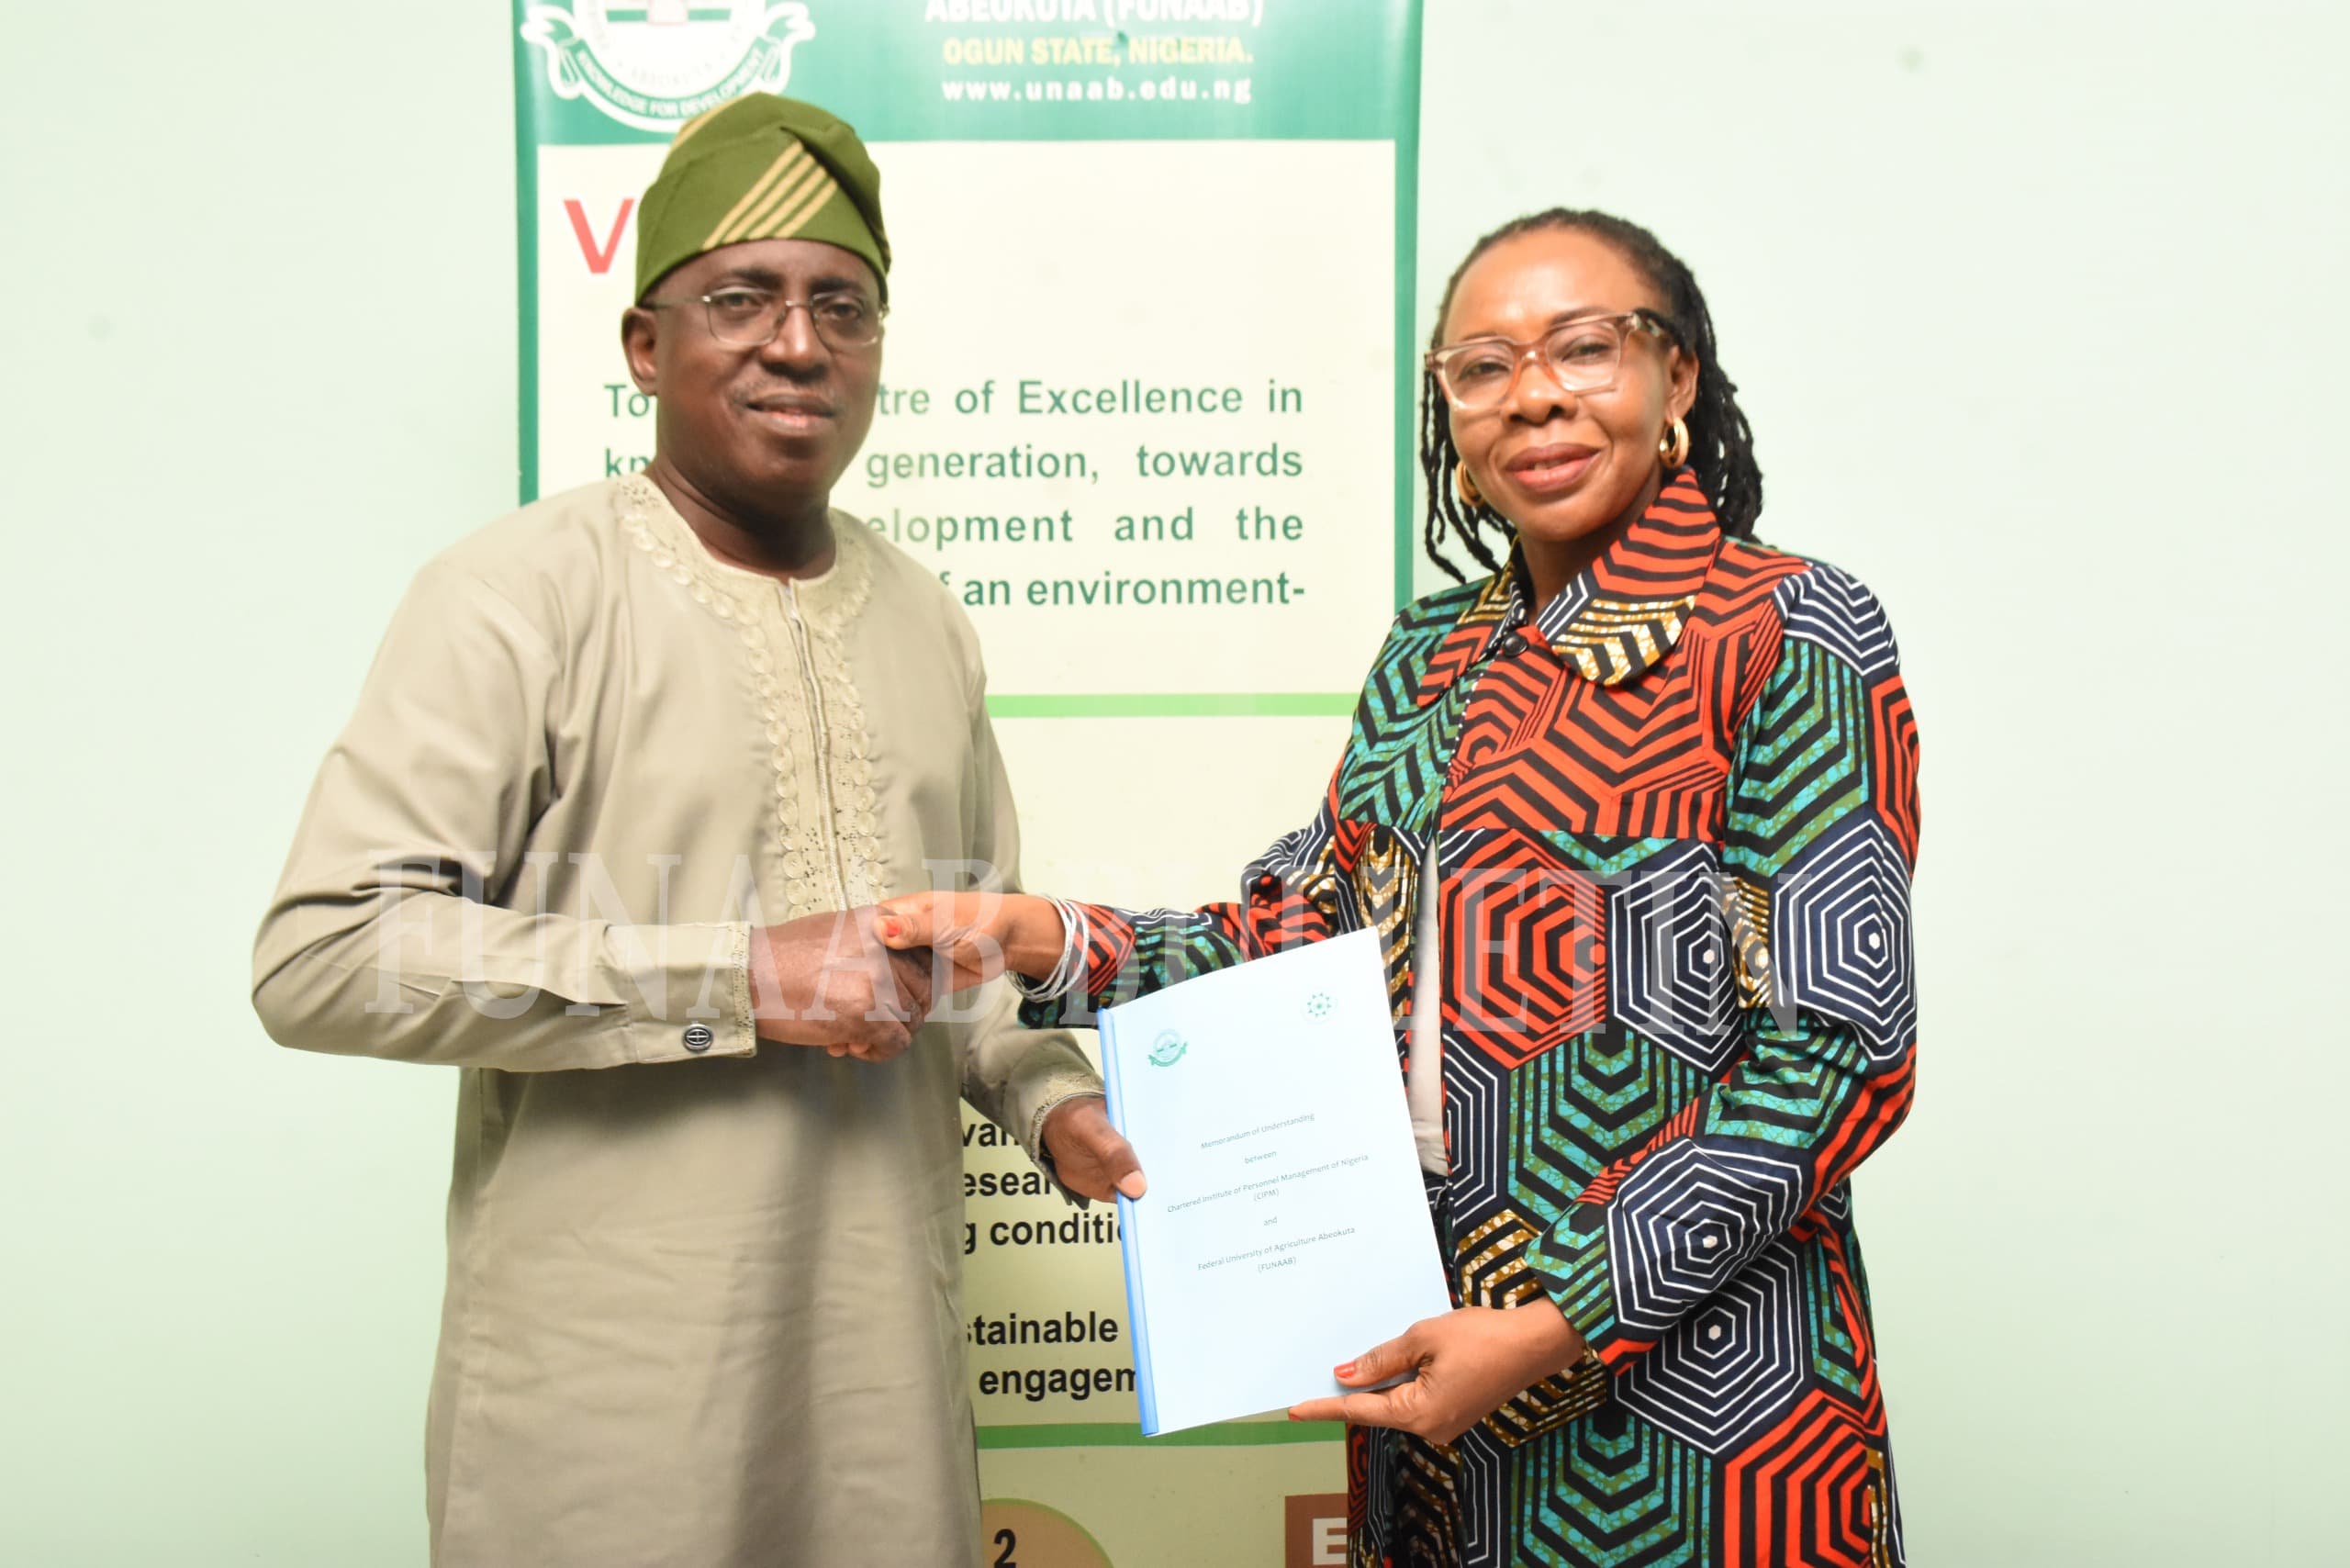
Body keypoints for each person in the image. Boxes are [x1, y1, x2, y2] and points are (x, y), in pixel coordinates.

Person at [881, 209, 1920, 1567]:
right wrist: (1049, 939)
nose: (1534, 393)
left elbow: (1838, 1060)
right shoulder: (1431, 657)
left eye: (1586, 348)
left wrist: (1557, 1322)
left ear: (1679, 382)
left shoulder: (1787, 630)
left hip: (1706, 1402)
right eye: (1482, 367)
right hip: (1422, 1357)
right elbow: (1299, 939)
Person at [251, 93, 1140, 1568]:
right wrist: (738, 976)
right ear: (645, 347)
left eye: (841, 309)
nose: (799, 344)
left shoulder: (926, 619)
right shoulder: (516, 595)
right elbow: (326, 955)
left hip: (884, 1396)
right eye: (743, 300)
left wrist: (1054, 1101)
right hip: (605, 1408)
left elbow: (971, 965)